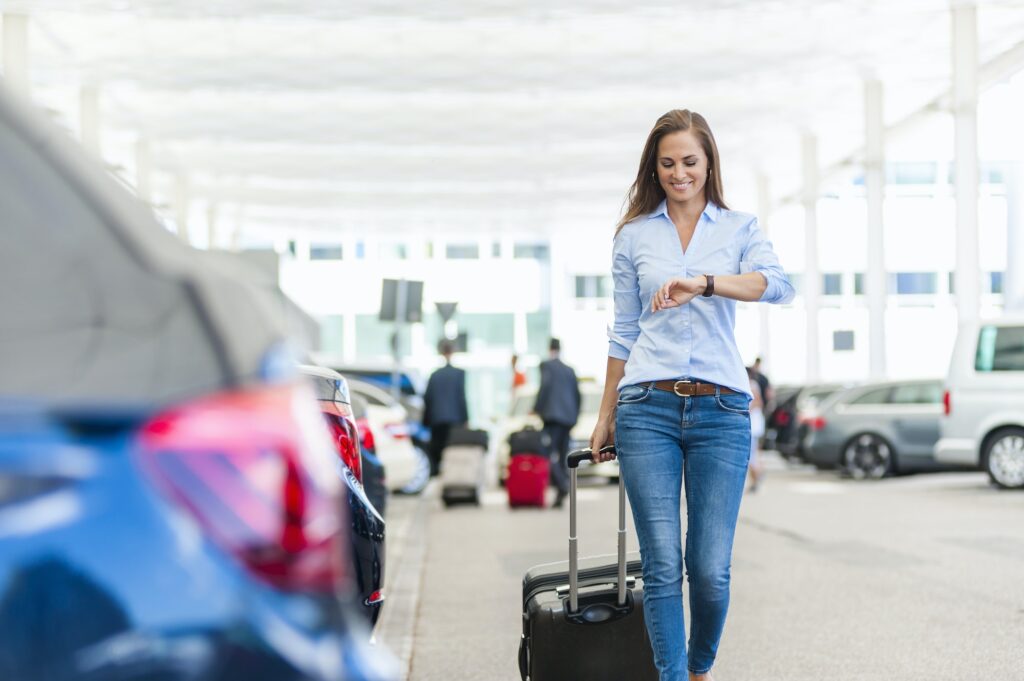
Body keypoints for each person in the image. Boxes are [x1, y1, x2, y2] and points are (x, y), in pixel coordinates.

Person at [588, 109, 794, 681]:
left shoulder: (739, 228)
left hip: (721, 409)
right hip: (645, 407)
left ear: (709, 164)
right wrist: (605, 415)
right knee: (661, 565)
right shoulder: (633, 236)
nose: (680, 173)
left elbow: (778, 286)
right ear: (655, 168)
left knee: (709, 570)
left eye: (690, 162)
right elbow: (624, 329)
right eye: (668, 163)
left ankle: (700, 669)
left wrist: (704, 282)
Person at [534, 338, 581, 508]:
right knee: (562, 455)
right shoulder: (569, 370)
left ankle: (562, 484)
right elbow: (577, 395)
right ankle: (560, 493)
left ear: (549, 348)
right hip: (568, 419)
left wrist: (537, 408)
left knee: (548, 454)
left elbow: (544, 387)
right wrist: (574, 417)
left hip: (552, 417)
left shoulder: (546, 365)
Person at [422, 340, 468, 477]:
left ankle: (439, 474)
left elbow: (427, 399)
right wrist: (465, 419)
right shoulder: (459, 374)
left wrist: (426, 421)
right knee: (452, 451)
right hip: (455, 421)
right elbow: (461, 398)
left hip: (437, 420)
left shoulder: (434, 375)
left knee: (438, 451)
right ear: (452, 352)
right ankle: (451, 476)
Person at [746, 366, 765, 493]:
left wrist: (745, 411)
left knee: (750, 455)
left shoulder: (752, 385)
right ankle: (756, 479)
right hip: (753, 425)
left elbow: (757, 402)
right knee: (751, 455)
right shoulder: (750, 384)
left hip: (753, 426)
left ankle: (758, 476)